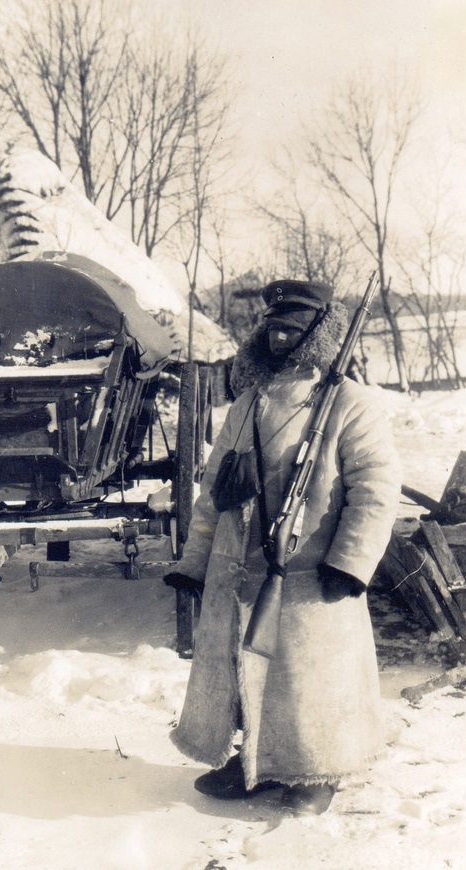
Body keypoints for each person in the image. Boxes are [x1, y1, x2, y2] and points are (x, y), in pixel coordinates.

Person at [164, 278, 401, 817]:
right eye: (271, 330)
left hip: (313, 572)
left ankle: (318, 772)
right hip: (239, 564)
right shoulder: (247, 403)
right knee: (246, 670)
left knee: (310, 680)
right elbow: (212, 492)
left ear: (315, 338)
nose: (277, 341)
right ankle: (255, 763)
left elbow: (376, 490)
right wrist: (196, 561)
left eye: (290, 332)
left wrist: (349, 562)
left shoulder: (351, 404)